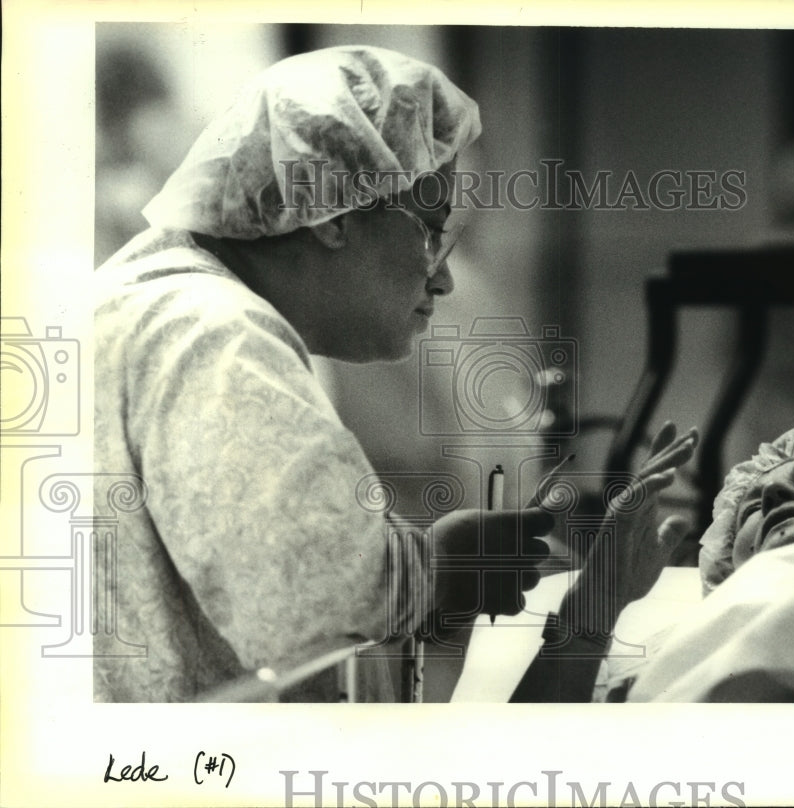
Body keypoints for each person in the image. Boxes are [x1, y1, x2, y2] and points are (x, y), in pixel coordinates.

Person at [93, 46, 552, 703]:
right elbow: (318, 601)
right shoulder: (218, 334)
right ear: (335, 214)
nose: (446, 276)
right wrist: (443, 568)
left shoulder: (169, 303)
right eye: (428, 232)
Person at [511, 422, 794, 702]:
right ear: (728, 561)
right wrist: (597, 602)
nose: (773, 494)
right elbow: (526, 771)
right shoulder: (656, 660)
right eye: (750, 508)